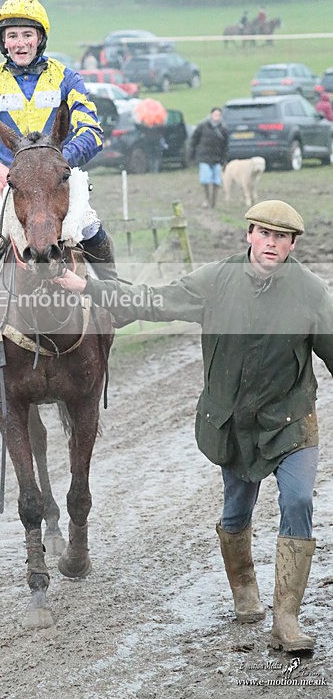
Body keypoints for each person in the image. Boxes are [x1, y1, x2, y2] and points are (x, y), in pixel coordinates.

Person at [55, 199, 333, 654]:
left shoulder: (310, 292)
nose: (271, 243)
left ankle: (287, 618)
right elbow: (156, 300)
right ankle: (244, 587)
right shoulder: (216, 281)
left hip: (289, 420)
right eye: (264, 233)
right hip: (234, 423)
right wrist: (88, 287)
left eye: (281, 238)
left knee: (299, 499)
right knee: (236, 511)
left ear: (292, 245)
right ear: (249, 236)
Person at [0, 0, 116, 332]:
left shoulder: (66, 78)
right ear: (3, 42)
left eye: (27, 34)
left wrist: (59, 162)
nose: (20, 43)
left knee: (90, 228)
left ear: (40, 38)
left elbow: (92, 131)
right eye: (12, 35)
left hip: (59, 180)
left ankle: (116, 296)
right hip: (13, 185)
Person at [188, 107, 228, 209]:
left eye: (219, 115)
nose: (217, 117)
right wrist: (191, 155)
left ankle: (213, 202)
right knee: (205, 180)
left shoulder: (223, 128)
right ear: (211, 115)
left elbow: (225, 146)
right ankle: (207, 199)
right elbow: (194, 140)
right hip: (204, 157)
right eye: (215, 114)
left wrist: (224, 160)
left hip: (217, 158)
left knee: (216, 181)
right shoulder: (202, 126)